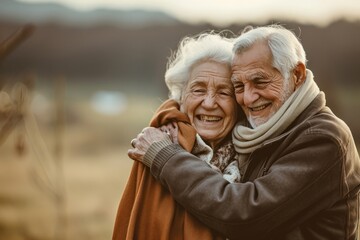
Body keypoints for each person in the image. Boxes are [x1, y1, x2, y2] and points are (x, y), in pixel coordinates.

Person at [128, 24, 360, 240]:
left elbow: (245, 213)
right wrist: (169, 113)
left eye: (260, 82)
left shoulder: (324, 138)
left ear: (297, 75)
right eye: (238, 86)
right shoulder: (262, 131)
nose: (248, 98)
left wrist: (165, 157)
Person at [113, 32, 242, 240]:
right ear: (181, 98)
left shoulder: (255, 153)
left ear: (239, 102)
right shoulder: (158, 144)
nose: (209, 103)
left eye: (224, 92)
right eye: (198, 90)